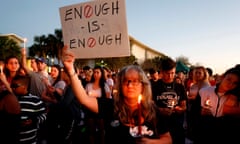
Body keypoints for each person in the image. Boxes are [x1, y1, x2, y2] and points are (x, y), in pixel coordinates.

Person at [61, 46, 172, 144]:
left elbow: (167, 139)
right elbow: (84, 98)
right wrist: (71, 71)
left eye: (135, 81)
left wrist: (151, 142)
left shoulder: (153, 111)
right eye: (125, 81)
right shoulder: (111, 107)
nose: (129, 85)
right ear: (119, 85)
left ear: (143, 85)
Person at [194, 66, 240, 144]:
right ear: (222, 77)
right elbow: (194, 112)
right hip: (202, 135)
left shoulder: (234, 99)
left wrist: (210, 117)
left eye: (235, 83)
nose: (230, 84)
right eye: (229, 79)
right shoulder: (204, 91)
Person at [152, 57, 187, 144]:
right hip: (159, 124)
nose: (170, 76)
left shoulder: (180, 87)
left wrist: (180, 109)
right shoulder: (154, 86)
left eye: (173, 73)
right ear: (162, 72)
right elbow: (149, 104)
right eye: (168, 73)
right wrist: (160, 110)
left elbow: (184, 105)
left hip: (177, 125)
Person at [11, 75, 47, 144]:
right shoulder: (10, 99)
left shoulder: (35, 100)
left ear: (24, 87)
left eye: (15, 86)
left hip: (30, 139)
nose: (12, 88)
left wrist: (34, 120)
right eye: (11, 86)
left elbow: (44, 114)